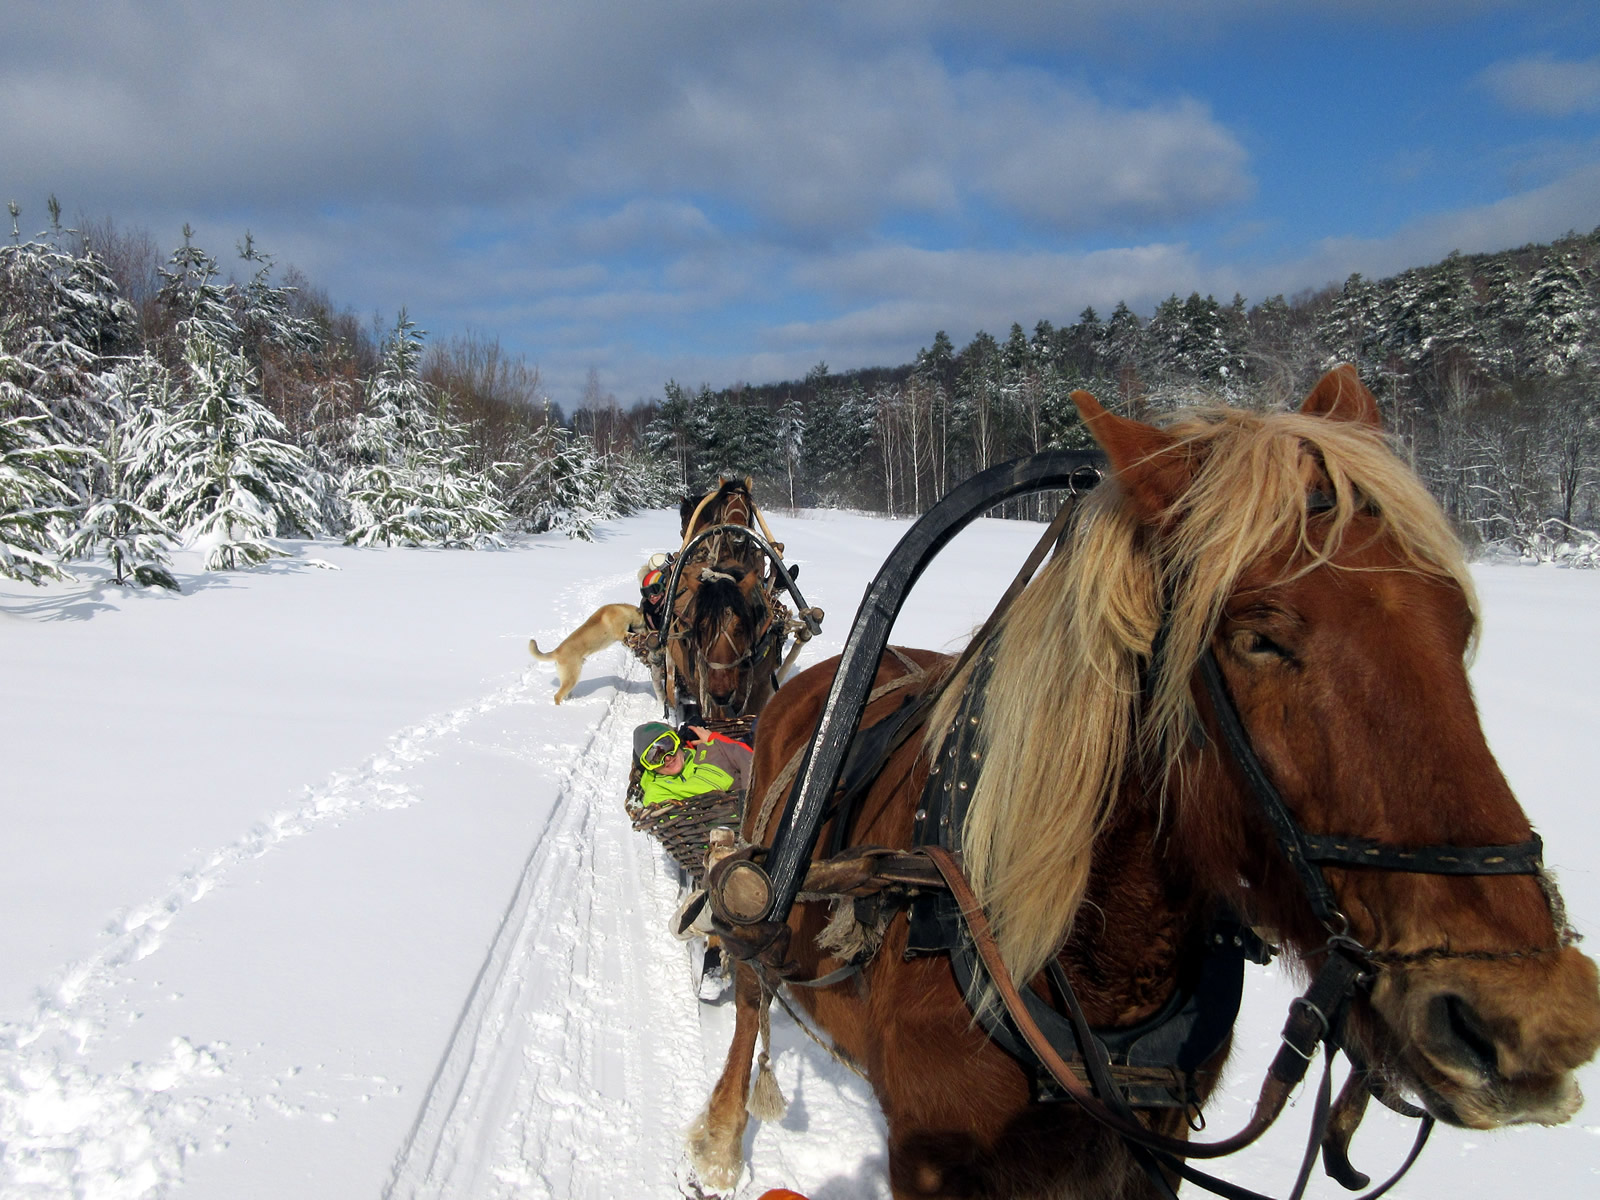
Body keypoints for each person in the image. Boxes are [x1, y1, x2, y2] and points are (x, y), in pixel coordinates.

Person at [633, 720, 752, 805]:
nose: (667, 758)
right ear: (648, 766)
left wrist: (749, 798)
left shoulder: (710, 750)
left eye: (667, 746)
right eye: (656, 757)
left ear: (677, 741)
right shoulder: (656, 791)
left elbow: (751, 761)